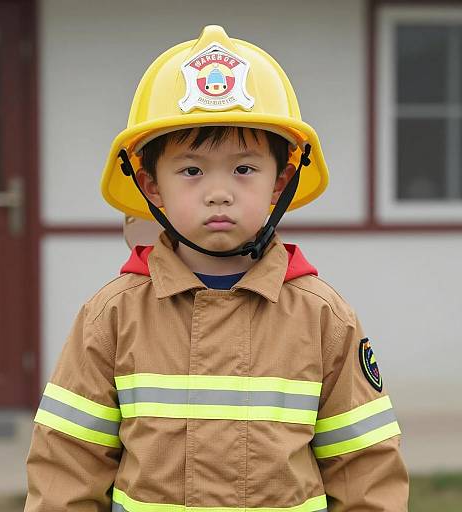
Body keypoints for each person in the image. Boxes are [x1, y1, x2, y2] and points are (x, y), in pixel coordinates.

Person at [24, 25, 409, 511]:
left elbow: (365, 472)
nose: (219, 192)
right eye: (191, 171)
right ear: (151, 186)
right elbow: (67, 469)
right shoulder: (112, 318)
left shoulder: (324, 318)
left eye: (244, 169)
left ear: (281, 181)